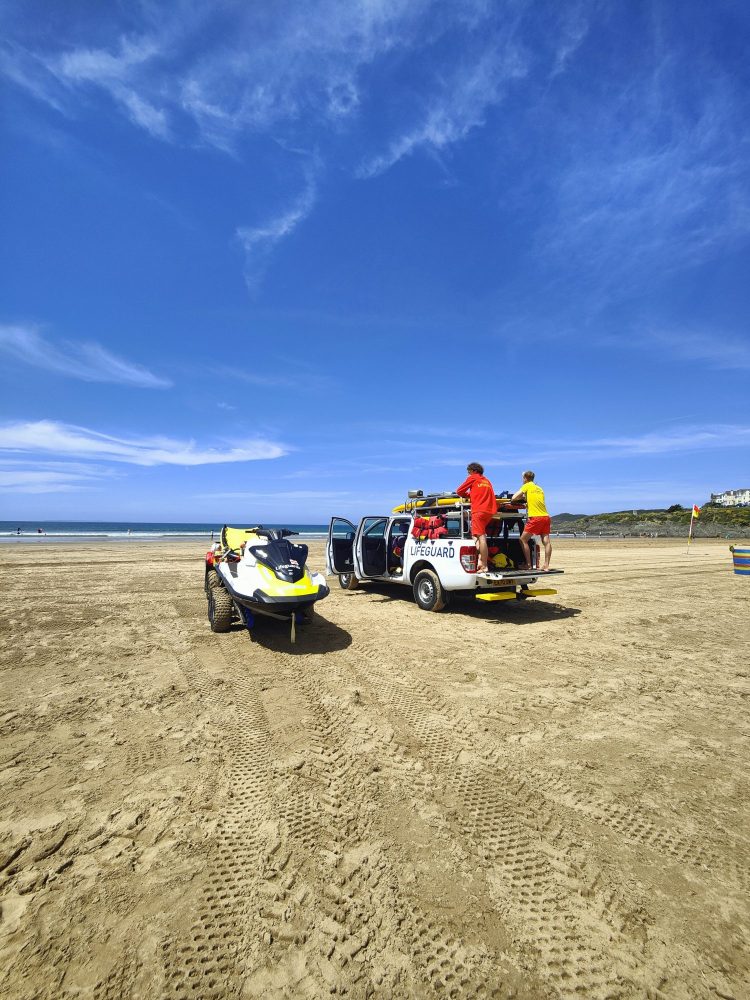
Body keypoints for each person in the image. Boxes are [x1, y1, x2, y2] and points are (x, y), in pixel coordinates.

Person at [456, 463, 496, 572]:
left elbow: (459, 491)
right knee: (476, 535)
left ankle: (484, 565)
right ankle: (480, 559)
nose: (468, 474)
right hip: (490, 511)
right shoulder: (487, 481)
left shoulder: (473, 478)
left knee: (481, 537)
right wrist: (472, 494)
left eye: (468, 471)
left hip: (479, 511)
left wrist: (467, 495)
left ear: (473, 471)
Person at [512, 471, 552, 571]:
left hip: (535, 517)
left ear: (525, 478)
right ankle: (546, 565)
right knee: (546, 541)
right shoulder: (539, 488)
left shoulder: (527, 486)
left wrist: (521, 498)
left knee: (522, 539)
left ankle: (528, 565)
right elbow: (536, 501)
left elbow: (514, 497)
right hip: (546, 516)